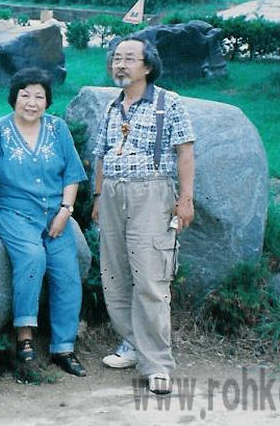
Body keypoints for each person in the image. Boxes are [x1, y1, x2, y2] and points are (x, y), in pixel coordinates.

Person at [92, 36, 195, 395]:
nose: (120, 65)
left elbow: (185, 153)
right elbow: (102, 154)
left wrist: (185, 198)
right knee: (114, 276)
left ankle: (158, 364)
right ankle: (133, 345)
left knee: (151, 279)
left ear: (147, 66)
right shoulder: (112, 105)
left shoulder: (169, 102)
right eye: (116, 58)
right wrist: (98, 196)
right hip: (112, 193)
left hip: (151, 192)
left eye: (129, 59)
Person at [0, 67, 88, 377]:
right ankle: (24, 336)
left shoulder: (58, 128)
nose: (31, 102)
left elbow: (72, 173)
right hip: (14, 213)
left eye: (39, 96)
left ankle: (63, 347)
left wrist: (66, 210)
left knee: (67, 271)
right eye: (25, 95)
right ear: (14, 98)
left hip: (56, 213)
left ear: (47, 101)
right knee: (32, 257)